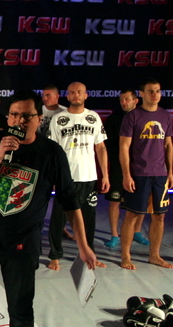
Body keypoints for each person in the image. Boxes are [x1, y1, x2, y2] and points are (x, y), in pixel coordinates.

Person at [0, 90, 97, 327]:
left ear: (39, 119)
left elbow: (70, 201)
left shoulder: (52, 153)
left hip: (22, 245)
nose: (19, 121)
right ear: (8, 117)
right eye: (14, 115)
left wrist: (83, 246)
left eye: (27, 116)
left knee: (20, 313)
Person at [46, 82, 109, 271]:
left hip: (88, 176)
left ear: (86, 95)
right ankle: (55, 256)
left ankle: (89, 255)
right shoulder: (59, 119)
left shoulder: (93, 117)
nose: (76, 95)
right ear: (67, 96)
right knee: (59, 218)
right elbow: (52, 151)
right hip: (66, 178)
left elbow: (101, 147)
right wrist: (54, 176)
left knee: (88, 220)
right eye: (72, 92)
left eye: (79, 92)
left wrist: (105, 175)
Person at [119, 78, 173, 270]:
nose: (155, 94)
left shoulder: (165, 116)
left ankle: (154, 255)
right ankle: (125, 255)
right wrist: (127, 175)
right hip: (139, 174)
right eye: (150, 91)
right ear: (141, 94)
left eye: (158, 91)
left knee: (160, 216)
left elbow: (168, 145)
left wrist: (170, 171)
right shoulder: (133, 116)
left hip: (160, 174)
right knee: (132, 215)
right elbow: (124, 147)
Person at [103, 90, 148, 249]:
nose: (123, 102)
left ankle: (137, 231)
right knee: (115, 200)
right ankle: (115, 235)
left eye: (127, 99)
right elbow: (107, 144)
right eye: (121, 100)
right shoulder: (114, 119)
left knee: (141, 200)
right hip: (118, 166)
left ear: (136, 101)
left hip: (139, 166)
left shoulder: (144, 117)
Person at [38, 84, 75, 241]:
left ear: (57, 96)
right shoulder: (37, 110)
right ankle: (35, 226)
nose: (45, 98)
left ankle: (61, 227)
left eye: (48, 95)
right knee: (39, 194)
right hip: (39, 157)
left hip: (59, 158)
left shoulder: (65, 112)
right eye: (43, 95)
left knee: (62, 196)